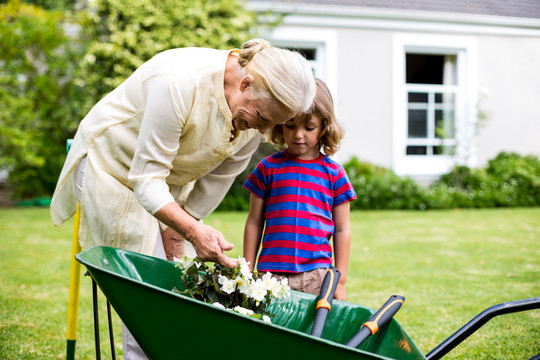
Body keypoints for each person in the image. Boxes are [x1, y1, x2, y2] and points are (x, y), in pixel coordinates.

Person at [50, 39, 315, 359]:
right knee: (142, 285)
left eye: (272, 123)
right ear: (246, 83)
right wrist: (192, 229)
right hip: (113, 167)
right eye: (261, 116)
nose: (262, 130)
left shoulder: (250, 117)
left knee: (179, 277)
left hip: (167, 179)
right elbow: (146, 179)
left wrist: (179, 231)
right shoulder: (178, 82)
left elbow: (218, 178)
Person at [242, 78, 356, 301]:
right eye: (290, 125)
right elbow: (254, 221)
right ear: (279, 123)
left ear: (324, 127)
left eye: (309, 127)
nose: (298, 135)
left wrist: (340, 281)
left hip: (319, 277)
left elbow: (342, 229)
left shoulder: (335, 174)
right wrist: (247, 271)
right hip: (271, 275)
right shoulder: (267, 169)